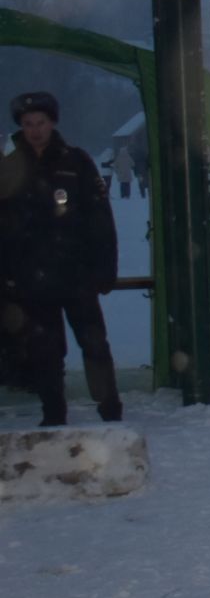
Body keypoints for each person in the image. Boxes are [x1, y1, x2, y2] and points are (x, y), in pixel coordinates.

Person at [0, 91, 122, 426]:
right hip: (30, 277)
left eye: (40, 123)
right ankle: (53, 412)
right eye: (28, 124)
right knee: (46, 350)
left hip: (76, 274)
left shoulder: (76, 161)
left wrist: (105, 268)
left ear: (52, 123)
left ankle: (110, 408)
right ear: (20, 127)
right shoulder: (8, 165)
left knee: (94, 343)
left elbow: (100, 218)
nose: (35, 130)